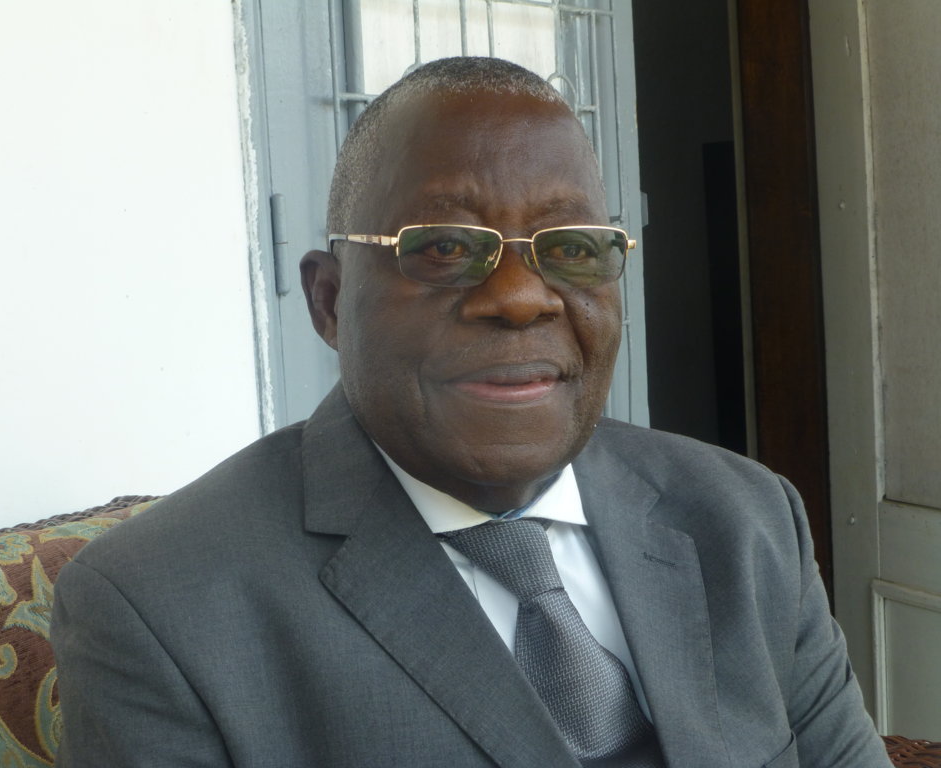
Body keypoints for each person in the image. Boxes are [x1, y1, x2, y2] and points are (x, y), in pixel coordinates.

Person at [51, 57, 891, 767]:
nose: (520, 298)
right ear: (329, 302)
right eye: (444, 248)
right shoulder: (162, 606)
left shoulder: (744, 518)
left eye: (571, 247)